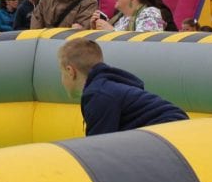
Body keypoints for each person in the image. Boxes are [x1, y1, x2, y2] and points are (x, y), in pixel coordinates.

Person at [58, 38, 188, 136]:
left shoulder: (98, 95)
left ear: (71, 71)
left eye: (62, 73)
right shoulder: (109, 86)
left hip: (168, 130)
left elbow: (97, 148)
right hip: (177, 126)